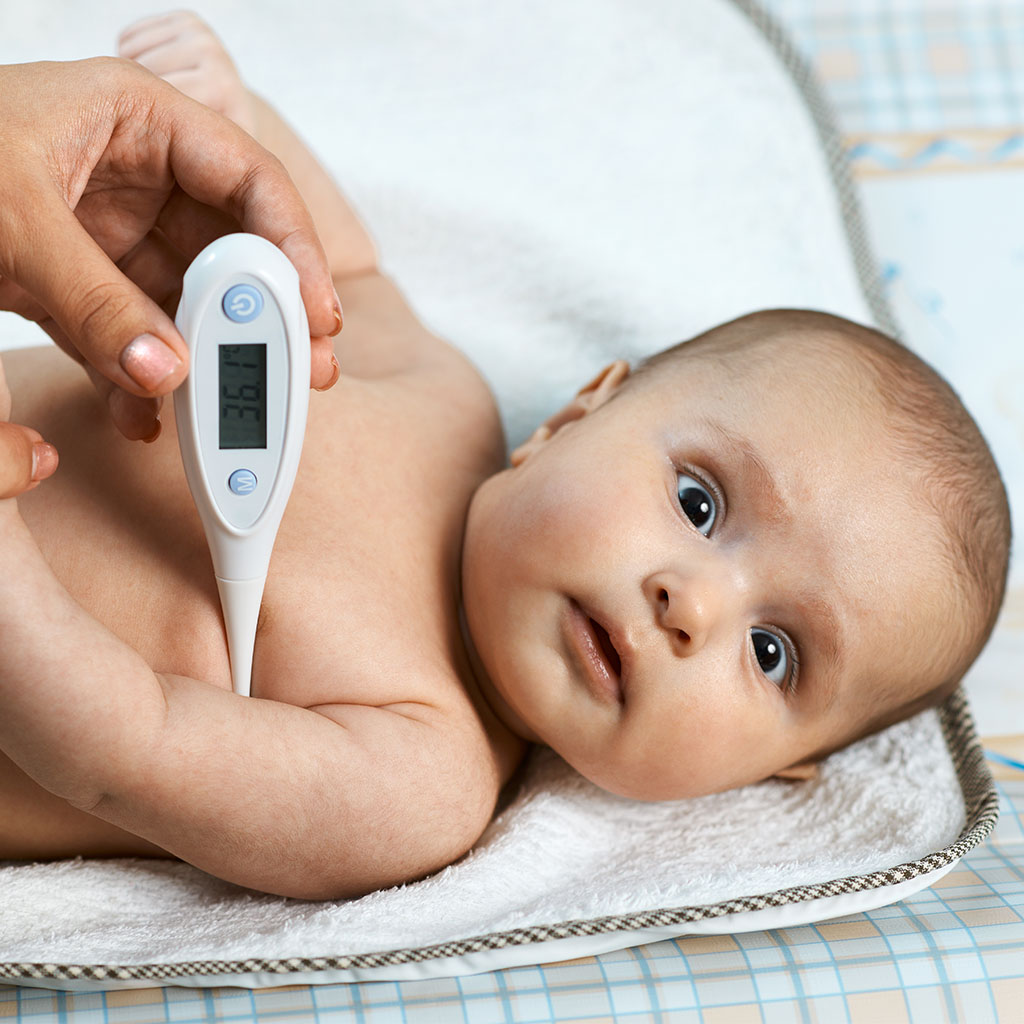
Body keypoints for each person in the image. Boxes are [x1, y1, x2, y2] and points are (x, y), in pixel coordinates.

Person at [0, 12, 1010, 900]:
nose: (692, 607)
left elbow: (119, 748)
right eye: (699, 504)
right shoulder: (439, 393)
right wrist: (238, 125)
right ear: (576, 414)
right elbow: (336, 269)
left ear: (757, 776)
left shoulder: (419, 780)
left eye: (772, 652)